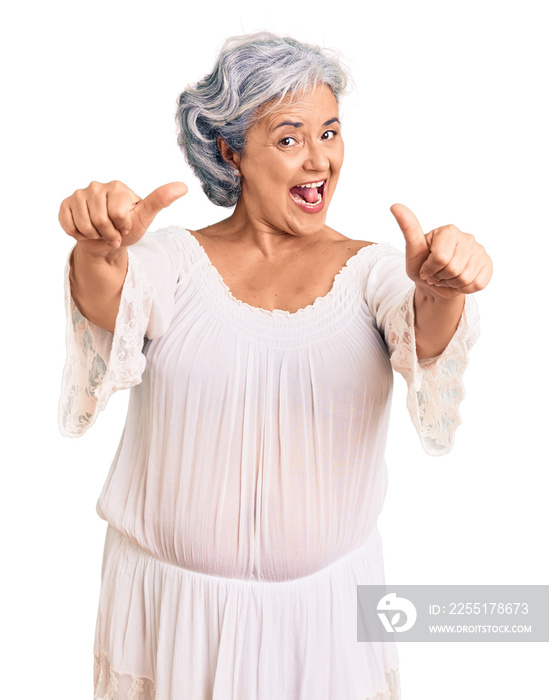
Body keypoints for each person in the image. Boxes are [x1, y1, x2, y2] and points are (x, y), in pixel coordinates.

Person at [58, 32, 492, 700]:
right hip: (172, 615)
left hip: (323, 623)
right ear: (231, 150)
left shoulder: (373, 270)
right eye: (289, 139)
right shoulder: (172, 261)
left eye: (330, 132)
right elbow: (108, 297)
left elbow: (425, 337)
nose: (318, 159)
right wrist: (96, 247)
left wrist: (441, 288)